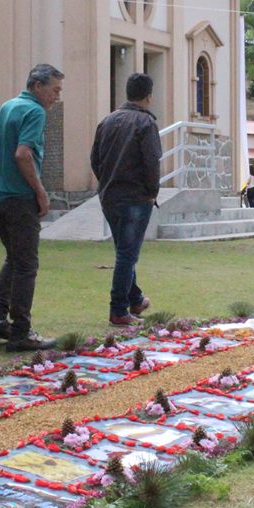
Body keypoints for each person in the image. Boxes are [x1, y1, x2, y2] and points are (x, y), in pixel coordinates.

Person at [0, 64, 63, 351]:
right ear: (37, 86)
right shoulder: (35, 111)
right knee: (27, 264)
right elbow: (23, 154)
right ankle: (21, 331)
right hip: (18, 199)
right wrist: (40, 192)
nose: (56, 97)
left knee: (15, 258)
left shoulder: (7, 107)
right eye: (54, 90)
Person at [91, 72, 162, 327]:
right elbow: (151, 162)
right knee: (127, 255)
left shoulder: (107, 121)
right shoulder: (146, 123)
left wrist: (107, 182)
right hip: (135, 197)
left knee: (124, 251)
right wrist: (152, 190)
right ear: (148, 96)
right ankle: (119, 310)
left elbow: (95, 160)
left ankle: (135, 298)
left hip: (110, 196)